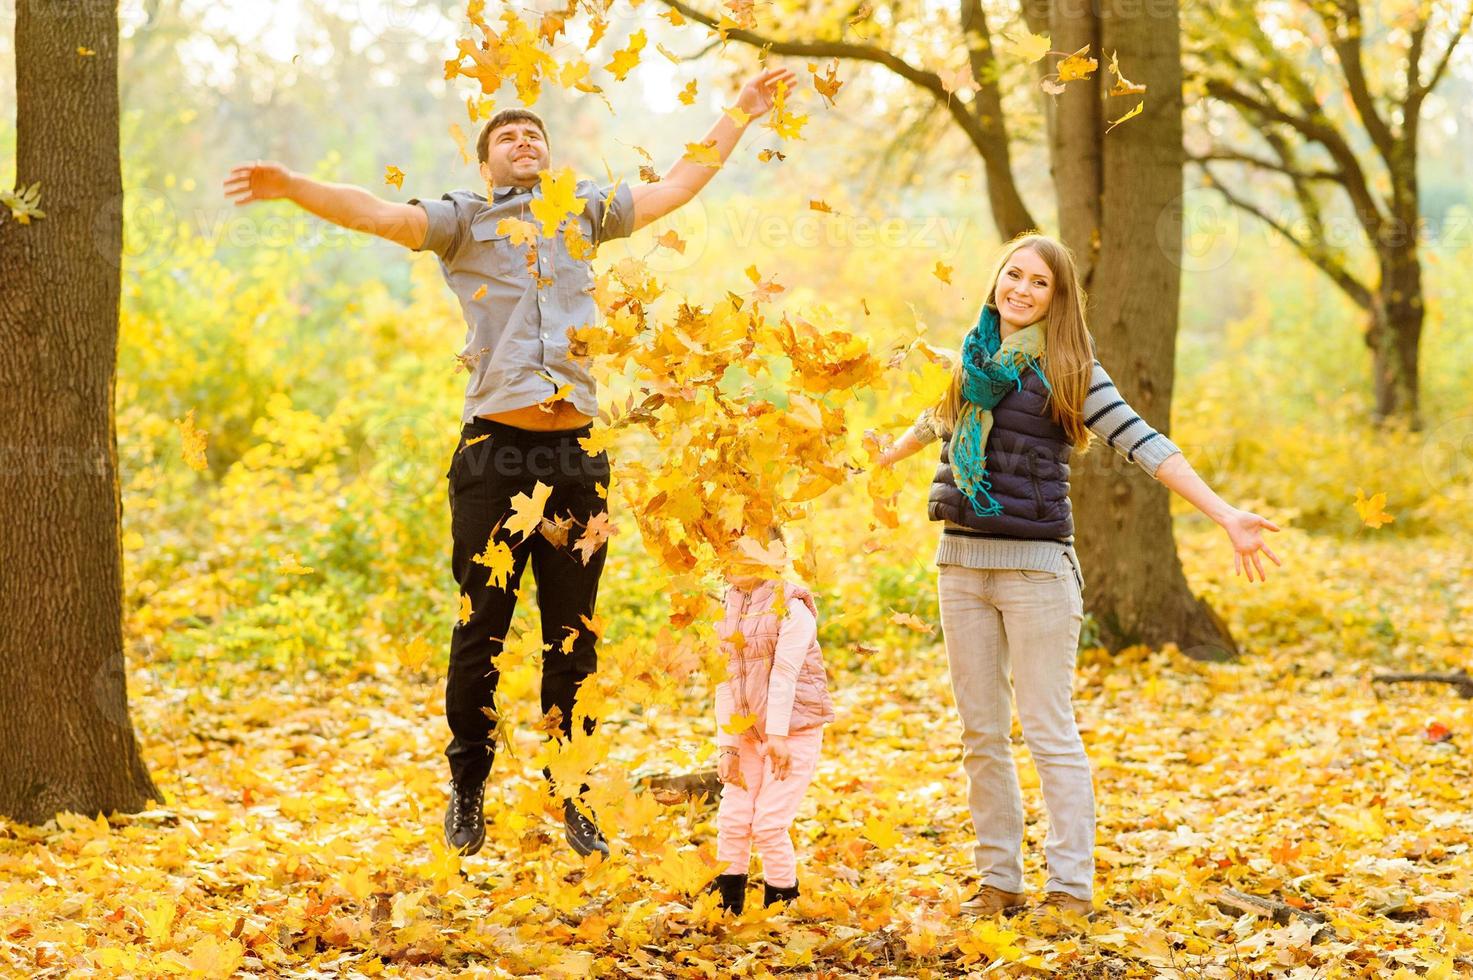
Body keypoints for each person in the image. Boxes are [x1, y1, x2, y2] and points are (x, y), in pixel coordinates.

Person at [223, 66, 798, 860]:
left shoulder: (585, 213)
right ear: (486, 160)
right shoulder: (462, 220)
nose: (523, 141)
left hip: (576, 459)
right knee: (481, 630)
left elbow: (676, 185)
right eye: (506, 136)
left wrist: (739, 111)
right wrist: (292, 186)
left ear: (548, 157)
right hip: (495, 455)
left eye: (534, 135)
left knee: (574, 638)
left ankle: (575, 798)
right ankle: (467, 789)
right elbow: (381, 214)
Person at [875, 233, 1281, 917]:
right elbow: (934, 420)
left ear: (1057, 298)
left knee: (1045, 731)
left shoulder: (1071, 370)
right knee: (980, 734)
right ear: (995, 279)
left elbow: (1144, 442)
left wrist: (1222, 513)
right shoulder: (968, 360)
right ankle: (998, 882)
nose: (1022, 290)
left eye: (1040, 282)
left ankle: (1068, 889)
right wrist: (877, 460)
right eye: (1014, 275)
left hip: (1035, 574)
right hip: (960, 567)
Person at [711, 566, 835, 914]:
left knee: (768, 823)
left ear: (771, 556)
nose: (730, 559)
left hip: (793, 731)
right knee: (733, 819)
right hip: (748, 731)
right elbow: (723, 680)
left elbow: (785, 674)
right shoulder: (726, 606)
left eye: (743, 549)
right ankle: (726, 909)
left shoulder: (791, 608)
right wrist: (728, 747)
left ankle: (780, 909)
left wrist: (777, 737)